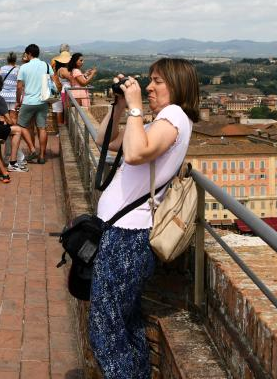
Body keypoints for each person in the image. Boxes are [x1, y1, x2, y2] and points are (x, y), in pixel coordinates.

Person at [88, 58, 200, 379]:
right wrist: (120, 106)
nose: (149, 87)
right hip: (119, 232)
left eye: (157, 81)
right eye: (149, 81)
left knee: (104, 329)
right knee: (126, 323)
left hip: (128, 238)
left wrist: (136, 106)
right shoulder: (156, 122)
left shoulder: (174, 116)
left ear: (177, 85)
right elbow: (104, 141)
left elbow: (136, 153)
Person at [0, 72, 35, 171]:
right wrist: (12, 123)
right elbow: (9, 120)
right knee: (17, 130)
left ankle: (9, 157)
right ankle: (13, 163)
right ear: (0, 85)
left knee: (8, 129)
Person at [15, 43, 52, 164]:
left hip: (28, 101)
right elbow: (54, 80)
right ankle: (41, 156)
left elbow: (19, 87)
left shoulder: (24, 67)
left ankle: (32, 149)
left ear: (29, 53)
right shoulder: (46, 65)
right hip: (43, 101)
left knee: (21, 125)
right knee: (42, 128)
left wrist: (18, 101)